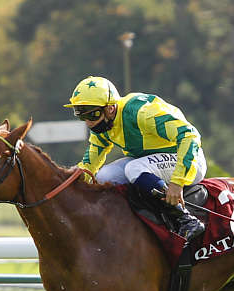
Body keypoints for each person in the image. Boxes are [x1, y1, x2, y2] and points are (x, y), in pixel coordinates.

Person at [64, 76, 207, 241]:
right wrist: (71, 181)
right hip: (149, 162)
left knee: (133, 168)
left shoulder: (141, 113)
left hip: (188, 160)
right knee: (104, 176)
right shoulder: (102, 125)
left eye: (93, 115)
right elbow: (89, 164)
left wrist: (177, 182)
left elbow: (189, 135)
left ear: (110, 108)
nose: (89, 123)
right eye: (82, 117)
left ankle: (185, 219)